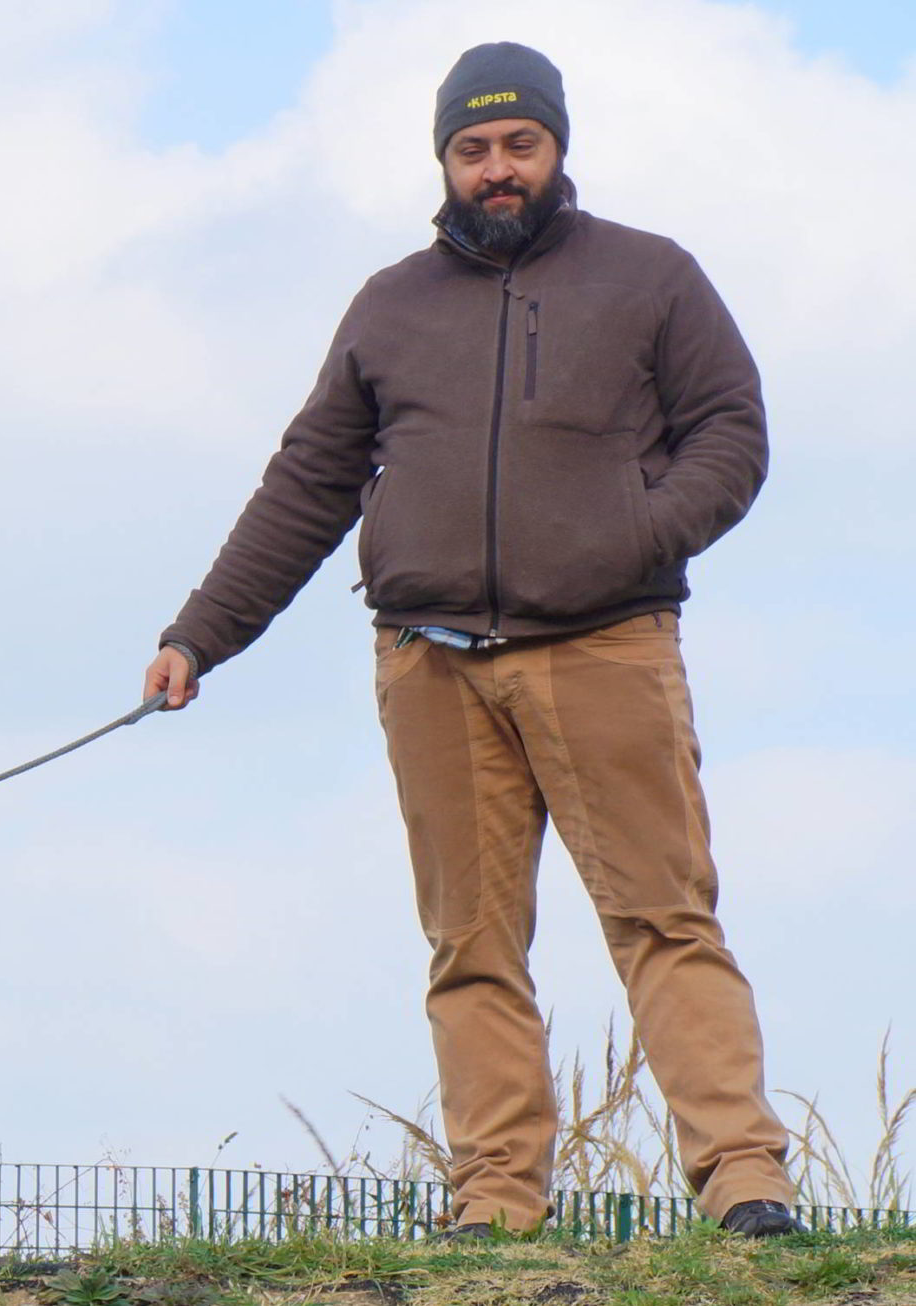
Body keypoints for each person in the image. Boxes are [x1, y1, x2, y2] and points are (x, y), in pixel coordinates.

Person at [143, 41, 800, 1239]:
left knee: (663, 918)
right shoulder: (387, 304)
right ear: (444, 160)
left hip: (605, 646)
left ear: (556, 148)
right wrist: (200, 635)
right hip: (428, 663)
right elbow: (306, 484)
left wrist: (635, 533)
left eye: (518, 145)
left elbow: (731, 432)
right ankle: (494, 1202)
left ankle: (744, 1181)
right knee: (468, 946)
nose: (496, 168)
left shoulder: (652, 276)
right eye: (472, 149)